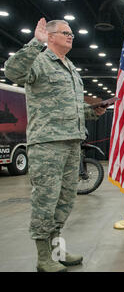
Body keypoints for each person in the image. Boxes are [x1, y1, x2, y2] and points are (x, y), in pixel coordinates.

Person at [4, 18, 106, 272]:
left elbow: (72, 107)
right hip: (47, 143)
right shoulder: (38, 60)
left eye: (72, 33)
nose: (71, 36)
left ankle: (57, 250)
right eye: (65, 32)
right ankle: (43, 257)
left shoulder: (70, 67)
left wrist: (94, 111)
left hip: (72, 141)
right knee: (46, 200)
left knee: (65, 200)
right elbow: (12, 72)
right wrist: (33, 44)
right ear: (49, 36)